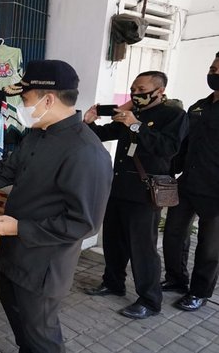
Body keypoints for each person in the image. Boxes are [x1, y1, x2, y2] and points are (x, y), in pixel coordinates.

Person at [0, 60, 113, 353]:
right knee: (23, 330)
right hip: (13, 254)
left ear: (48, 99)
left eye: (25, 99)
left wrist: (20, 227)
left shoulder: (87, 153)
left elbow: (84, 223)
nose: (21, 106)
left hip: (42, 267)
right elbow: (6, 170)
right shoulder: (38, 132)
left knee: (41, 337)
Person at [83, 71, 188, 319]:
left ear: (159, 91)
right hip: (119, 187)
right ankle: (113, 283)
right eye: (133, 89)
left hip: (145, 193)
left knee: (143, 248)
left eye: (141, 89)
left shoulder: (174, 115)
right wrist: (89, 122)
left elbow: (168, 149)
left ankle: (150, 301)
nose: (135, 94)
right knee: (113, 240)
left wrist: (136, 125)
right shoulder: (132, 113)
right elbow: (101, 135)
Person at [162, 51, 219, 311]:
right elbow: (183, 145)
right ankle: (176, 279)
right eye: (212, 67)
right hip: (188, 184)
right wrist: (171, 171)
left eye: (217, 70)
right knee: (173, 234)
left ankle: (199, 292)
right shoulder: (198, 107)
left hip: (215, 192)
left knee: (209, 248)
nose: (212, 73)